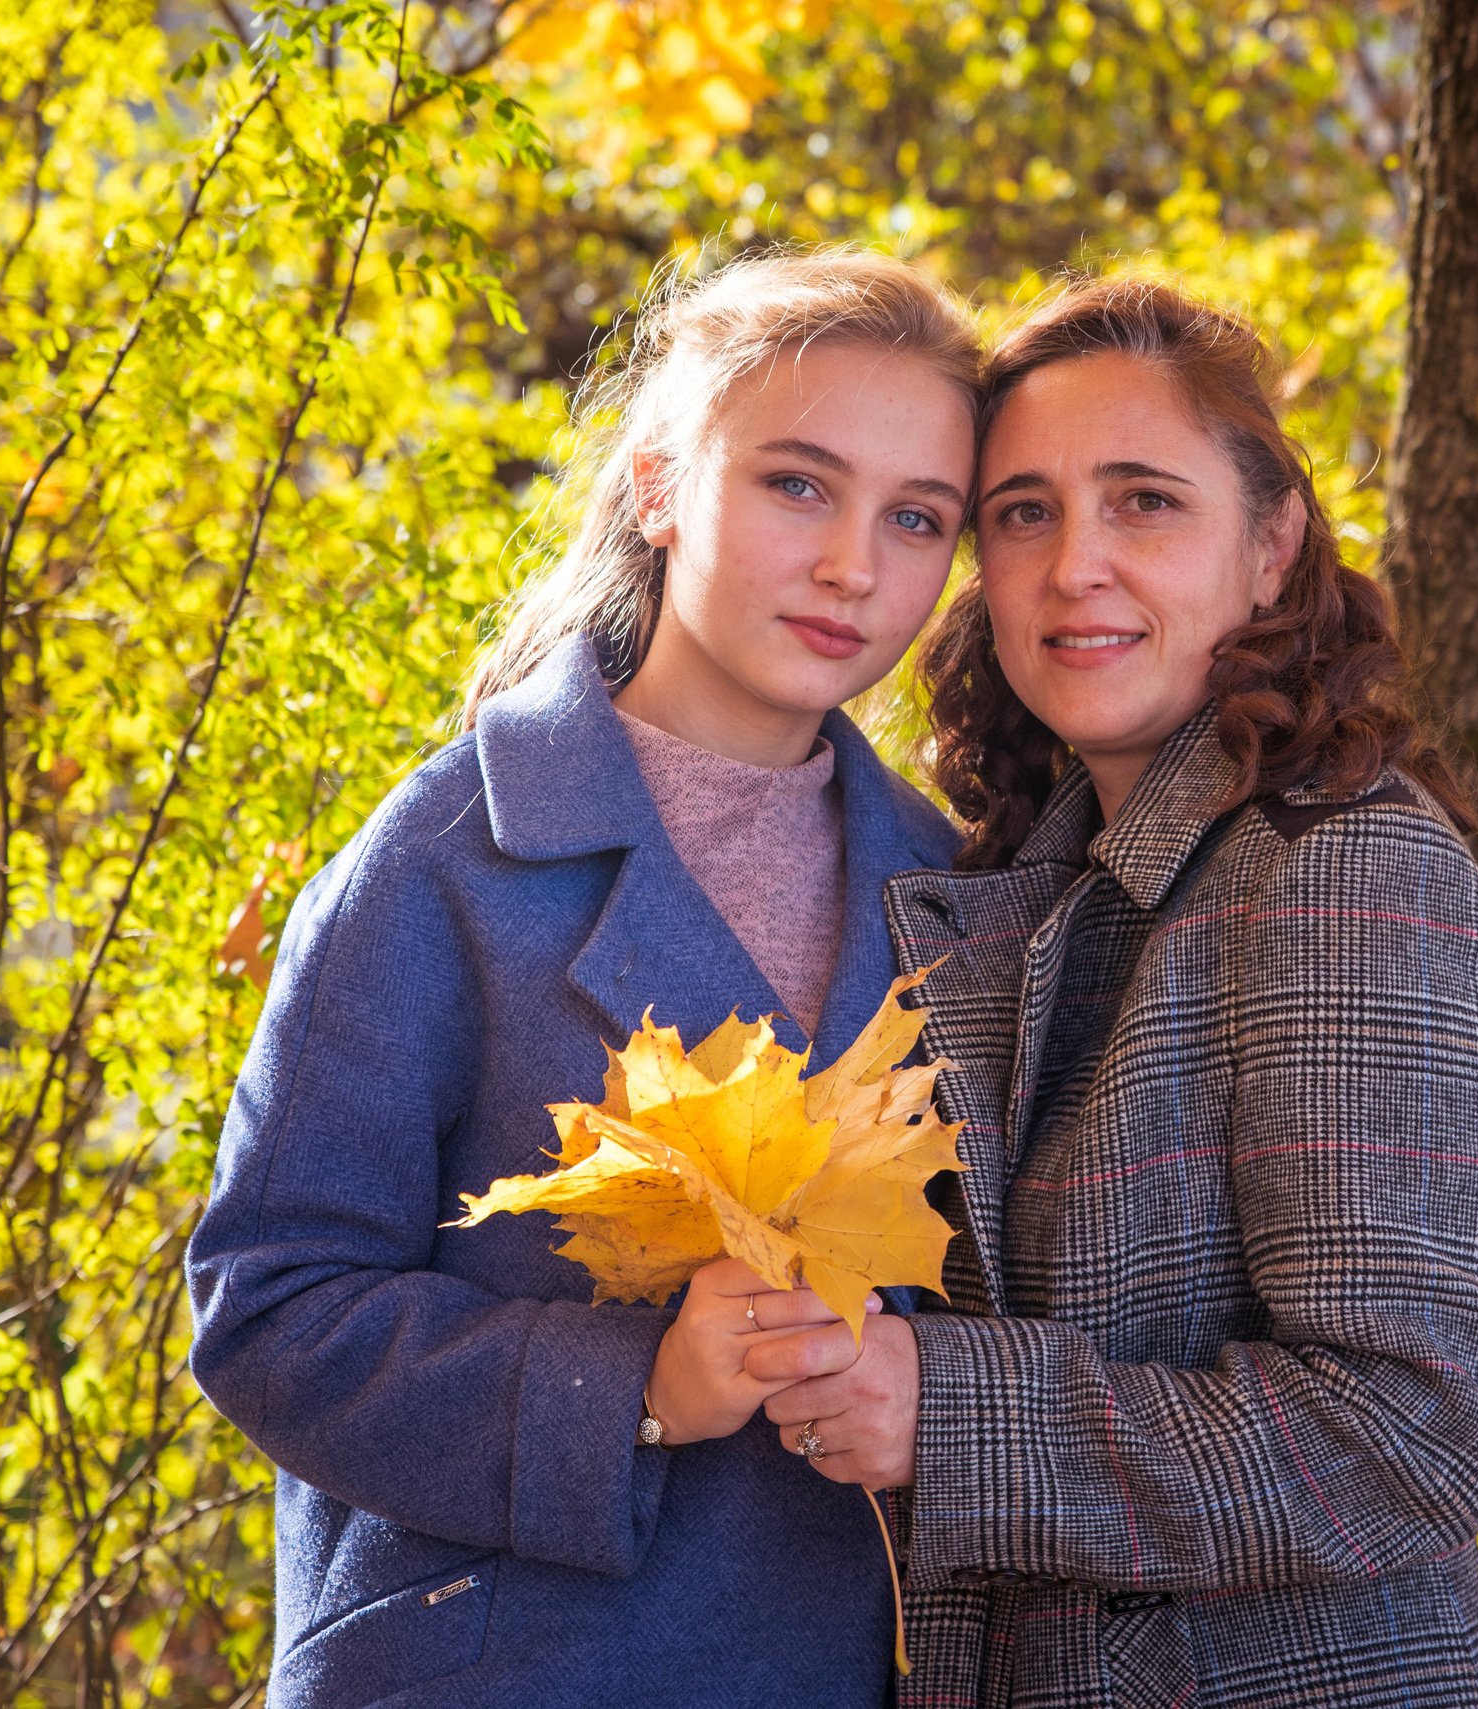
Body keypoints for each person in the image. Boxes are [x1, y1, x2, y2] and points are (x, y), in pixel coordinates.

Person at [184, 249, 975, 1708]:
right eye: (797, 484)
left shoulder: (952, 893)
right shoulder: (451, 854)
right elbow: (269, 1305)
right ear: (663, 484)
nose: (856, 564)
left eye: (916, 517)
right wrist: (636, 1394)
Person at [747, 276, 1478, 1706]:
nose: (1074, 565)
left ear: (1272, 545)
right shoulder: (1052, 884)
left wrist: (947, 1410)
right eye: (1024, 511)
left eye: (1145, 502)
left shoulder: (1342, 872)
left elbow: (1412, 1434)